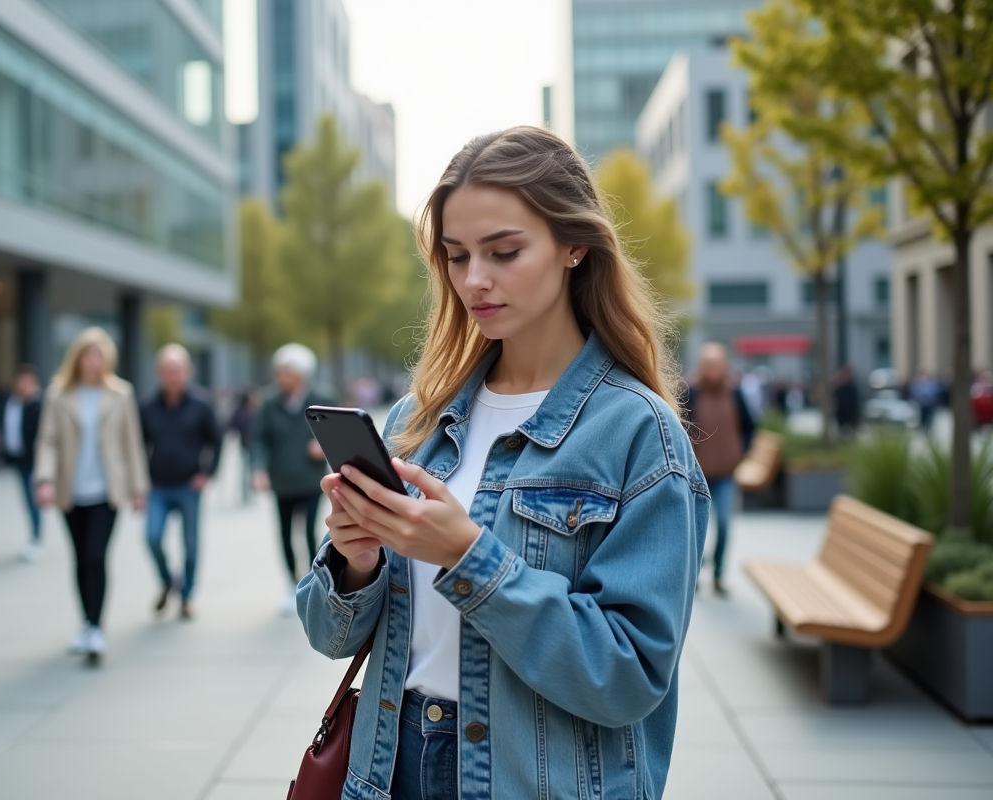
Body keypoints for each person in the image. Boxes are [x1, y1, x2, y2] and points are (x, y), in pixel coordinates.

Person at [297, 127, 709, 800]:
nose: (474, 280)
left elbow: (629, 677)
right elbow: (327, 634)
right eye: (457, 256)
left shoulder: (639, 433)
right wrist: (354, 562)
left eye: (504, 251)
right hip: (389, 769)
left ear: (574, 245)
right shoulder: (416, 420)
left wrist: (469, 559)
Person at [34, 328, 149, 663]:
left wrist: (138, 488)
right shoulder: (58, 394)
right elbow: (47, 441)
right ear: (78, 358)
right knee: (81, 557)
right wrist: (45, 479)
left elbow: (132, 443)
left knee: (96, 556)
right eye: (88, 355)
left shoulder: (121, 394)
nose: (94, 361)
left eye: (100, 355)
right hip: (71, 490)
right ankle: (85, 621)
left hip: (106, 490)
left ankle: (96, 627)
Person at [139, 344, 222, 620]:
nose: (173, 375)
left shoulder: (201, 404)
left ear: (188, 371)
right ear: (159, 373)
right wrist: (140, 481)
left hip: (189, 485)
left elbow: (216, 440)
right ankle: (167, 581)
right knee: (152, 538)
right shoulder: (147, 406)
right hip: (157, 487)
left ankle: (187, 596)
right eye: (167, 370)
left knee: (190, 544)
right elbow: (138, 445)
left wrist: (207, 473)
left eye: (177, 370)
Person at [252, 344, 334, 615]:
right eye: (279, 371)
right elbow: (259, 439)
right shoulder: (269, 402)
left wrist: (324, 445)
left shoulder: (322, 398)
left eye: (286, 372)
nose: (280, 377)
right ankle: (291, 582)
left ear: (301, 374)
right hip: (282, 481)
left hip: (311, 480)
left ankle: (313, 582)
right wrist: (258, 469)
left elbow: (339, 433)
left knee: (310, 533)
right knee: (285, 533)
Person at [684, 342, 754, 595]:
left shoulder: (735, 393)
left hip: (725, 474)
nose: (713, 369)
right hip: (696, 476)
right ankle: (696, 572)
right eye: (709, 364)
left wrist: (740, 451)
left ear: (724, 366)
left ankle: (719, 574)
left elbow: (749, 426)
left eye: (717, 364)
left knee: (724, 523)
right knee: (695, 528)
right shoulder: (690, 392)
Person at [0, 365, 44, 562]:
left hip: (34, 461)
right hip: (18, 459)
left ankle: (36, 538)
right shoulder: (12, 402)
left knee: (34, 501)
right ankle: (34, 536)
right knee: (28, 500)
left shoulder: (38, 404)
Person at [227, 388, 258, 505]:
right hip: (246, 444)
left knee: (251, 469)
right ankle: (246, 493)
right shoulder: (241, 411)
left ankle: (251, 491)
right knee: (246, 470)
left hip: (253, 444)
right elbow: (232, 427)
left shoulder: (253, 410)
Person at [834, 365, 861, 438]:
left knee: (852, 432)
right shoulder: (838, 388)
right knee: (842, 432)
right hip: (841, 412)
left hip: (851, 413)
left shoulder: (853, 387)